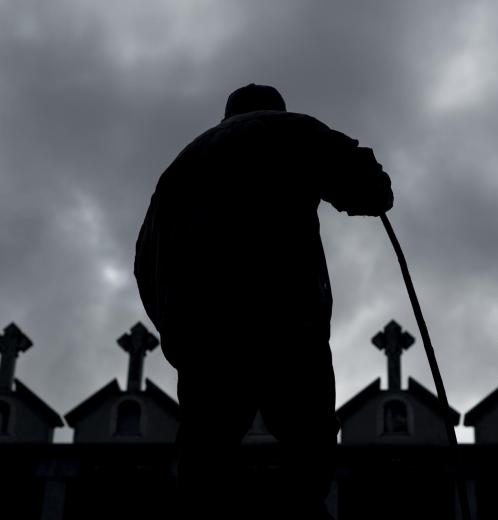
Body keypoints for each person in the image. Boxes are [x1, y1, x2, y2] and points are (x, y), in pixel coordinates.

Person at [134, 84, 393, 519]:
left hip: (204, 337)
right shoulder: (290, 130)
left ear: (226, 115)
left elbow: (145, 264)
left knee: (205, 447)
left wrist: (176, 330)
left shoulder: (175, 172)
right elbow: (369, 187)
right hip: (285, 321)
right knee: (309, 437)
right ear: (275, 108)